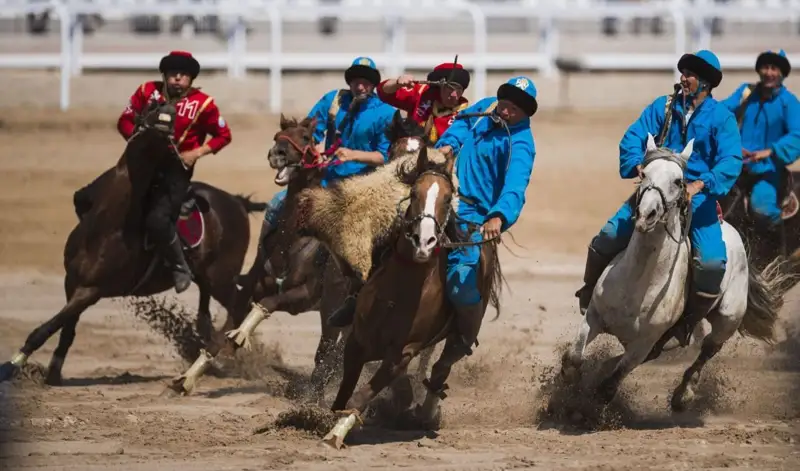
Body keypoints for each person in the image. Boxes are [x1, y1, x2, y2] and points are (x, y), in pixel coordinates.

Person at [327, 76, 538, 358]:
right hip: (440, 192)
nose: (505, 111)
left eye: (514, 109)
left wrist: (498, 216)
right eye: (504, 103)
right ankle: (358, 296)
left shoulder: (522, 144)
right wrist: (449, 143)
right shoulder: (487, 108)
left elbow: (515, 186)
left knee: (461, 281)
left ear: (525, 114)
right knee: (386, 230)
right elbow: (462, 123)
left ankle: (463, 335)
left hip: (474, 214)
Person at [575, 49, 743, 346]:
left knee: (713, 263)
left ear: (706, 83)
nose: (684, 78)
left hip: (697, 200)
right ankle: (589, 294)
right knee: (608, 235)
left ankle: (685, 322)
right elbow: (633, 136)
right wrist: (637, 165)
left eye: (691, 74)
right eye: (684, 72)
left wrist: (700, 185)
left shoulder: (721, 118)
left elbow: (730, 160)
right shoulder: (662, 107)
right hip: (654, 191)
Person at [73, 50, 233, 293]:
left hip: (174, 173)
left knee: (158, 220)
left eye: (183, 74)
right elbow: (124, 120)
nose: (177, 78)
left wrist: (196, 153)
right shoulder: (146, 91)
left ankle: (180, 267)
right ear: (164, 75)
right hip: (137, 166)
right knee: (84, 197)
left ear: (190, 78)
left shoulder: (204, 104)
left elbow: (224, 136)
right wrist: (136, 137)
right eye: (172, 74)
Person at [257, 56, 396, 259]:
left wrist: (352, 155)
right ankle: (261, 264)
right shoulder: (333, 100)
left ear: (373, 84)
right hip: (324, 180)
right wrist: (319, 148)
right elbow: (310, 131)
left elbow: (383, 156)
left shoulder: (386, 113)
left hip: (362, 187)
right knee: (277, 205)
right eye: (356, 80)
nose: (360, 86)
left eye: (366, 81)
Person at [719, 49, 800, 234]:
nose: (769, 72)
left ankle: (777, 246)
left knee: (762, 210)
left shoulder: (789, 102)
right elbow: (721, 113)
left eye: (774, 68)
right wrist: (733, 147)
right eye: (765, 67)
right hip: (736, 165)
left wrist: (770, 151)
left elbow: (798, 134)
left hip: (768, 170)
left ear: (782, 74)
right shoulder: (746, 92)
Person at [376, 61, 471, 143]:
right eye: (450, 88)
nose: (454, 94)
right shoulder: (422, 93)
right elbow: (384, 93)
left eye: (459, 89)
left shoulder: (464, 115)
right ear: (440, 87)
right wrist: (397, 82)